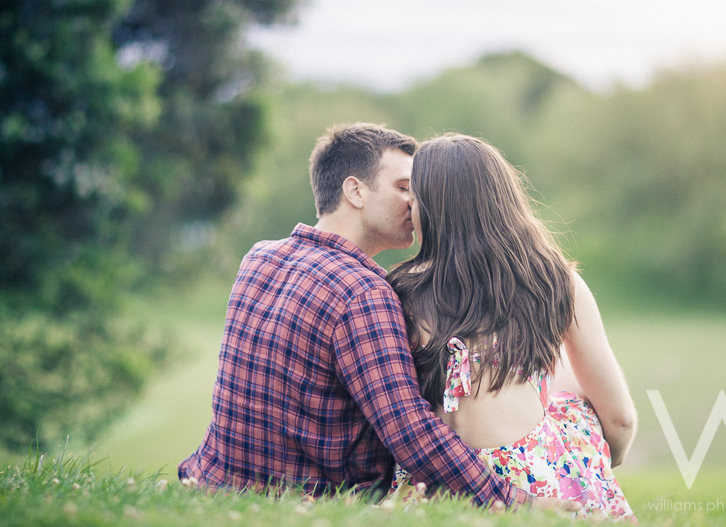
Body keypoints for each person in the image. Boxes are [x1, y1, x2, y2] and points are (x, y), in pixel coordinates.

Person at [177, 123, 577, 511]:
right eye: (403, 188)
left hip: (215, 483)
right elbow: (410, 431)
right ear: (355, 190)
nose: (414, 203)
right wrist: (514, 503)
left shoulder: (260, 255)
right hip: (311, 504)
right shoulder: (363, 292)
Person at [386, 134, 637, 521]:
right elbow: (619, 420)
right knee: (572, 400)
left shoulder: (399, 292)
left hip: (435, 482)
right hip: (527, 478)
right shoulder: (556, 282)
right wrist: (603, 461)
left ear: (433, 210)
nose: (409, 209)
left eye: (415, 199)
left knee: (563, 389)